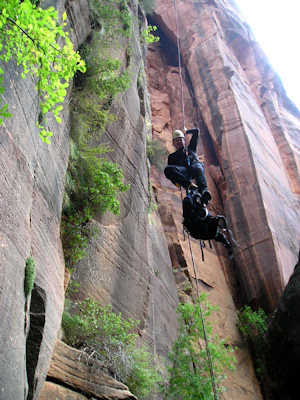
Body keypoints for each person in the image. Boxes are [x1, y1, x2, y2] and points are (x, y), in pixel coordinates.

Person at [164, 128, 211, 205]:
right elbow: (171, 171)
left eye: (181, 139)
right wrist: (176, 182)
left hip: (195, 167)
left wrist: (187, 131)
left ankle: (203, 191)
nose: (179, 141)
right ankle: (188, 185)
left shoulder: (191, 148)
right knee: (167, 169)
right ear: (173, 143)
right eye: (177, 140)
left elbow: (196, 131)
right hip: (184, 171)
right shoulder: (172, 157)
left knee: (196, 166)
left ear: (184, 140)